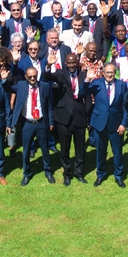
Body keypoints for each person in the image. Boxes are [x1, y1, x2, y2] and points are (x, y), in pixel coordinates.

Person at [46, 53, 91, 185]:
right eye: (69, 63)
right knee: (64, 148)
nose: (71, 65)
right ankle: (67, 174)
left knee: (80, 147)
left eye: (73, 63)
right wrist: (49, 65)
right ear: (65, 63)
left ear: (77, 63)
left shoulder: (83, 75)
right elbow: (47, 76)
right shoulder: (60, 74)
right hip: (63, 117)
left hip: (79, 115)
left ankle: (79, 172)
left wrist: (88, 116)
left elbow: (87, 97)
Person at [10, 67, 55, 185]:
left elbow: (50, 105)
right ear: (26, 77)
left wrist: (50, 122)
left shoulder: (44, 86)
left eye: (34, 76)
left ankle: (48, 171)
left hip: (41, 122)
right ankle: (27, 174)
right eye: (30, 77)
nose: (32, 79)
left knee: (45, 149)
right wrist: (5, 79)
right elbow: (8, 88)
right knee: (26, 150)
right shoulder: (21, 85)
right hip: (27, 123)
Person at [89, 62, 128, 188]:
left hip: (116, 125)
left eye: (112, 72)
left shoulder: (121, 85)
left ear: (115, 73)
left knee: (117, 152)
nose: (109, 75)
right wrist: (86, 80)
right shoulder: (96, 83)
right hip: (100, 124)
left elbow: (126, 106)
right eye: (107, 72)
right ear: (103, 73)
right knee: (101, 151)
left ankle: (119, 176)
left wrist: (124, 124)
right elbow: (83, 92)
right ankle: (100, 174)